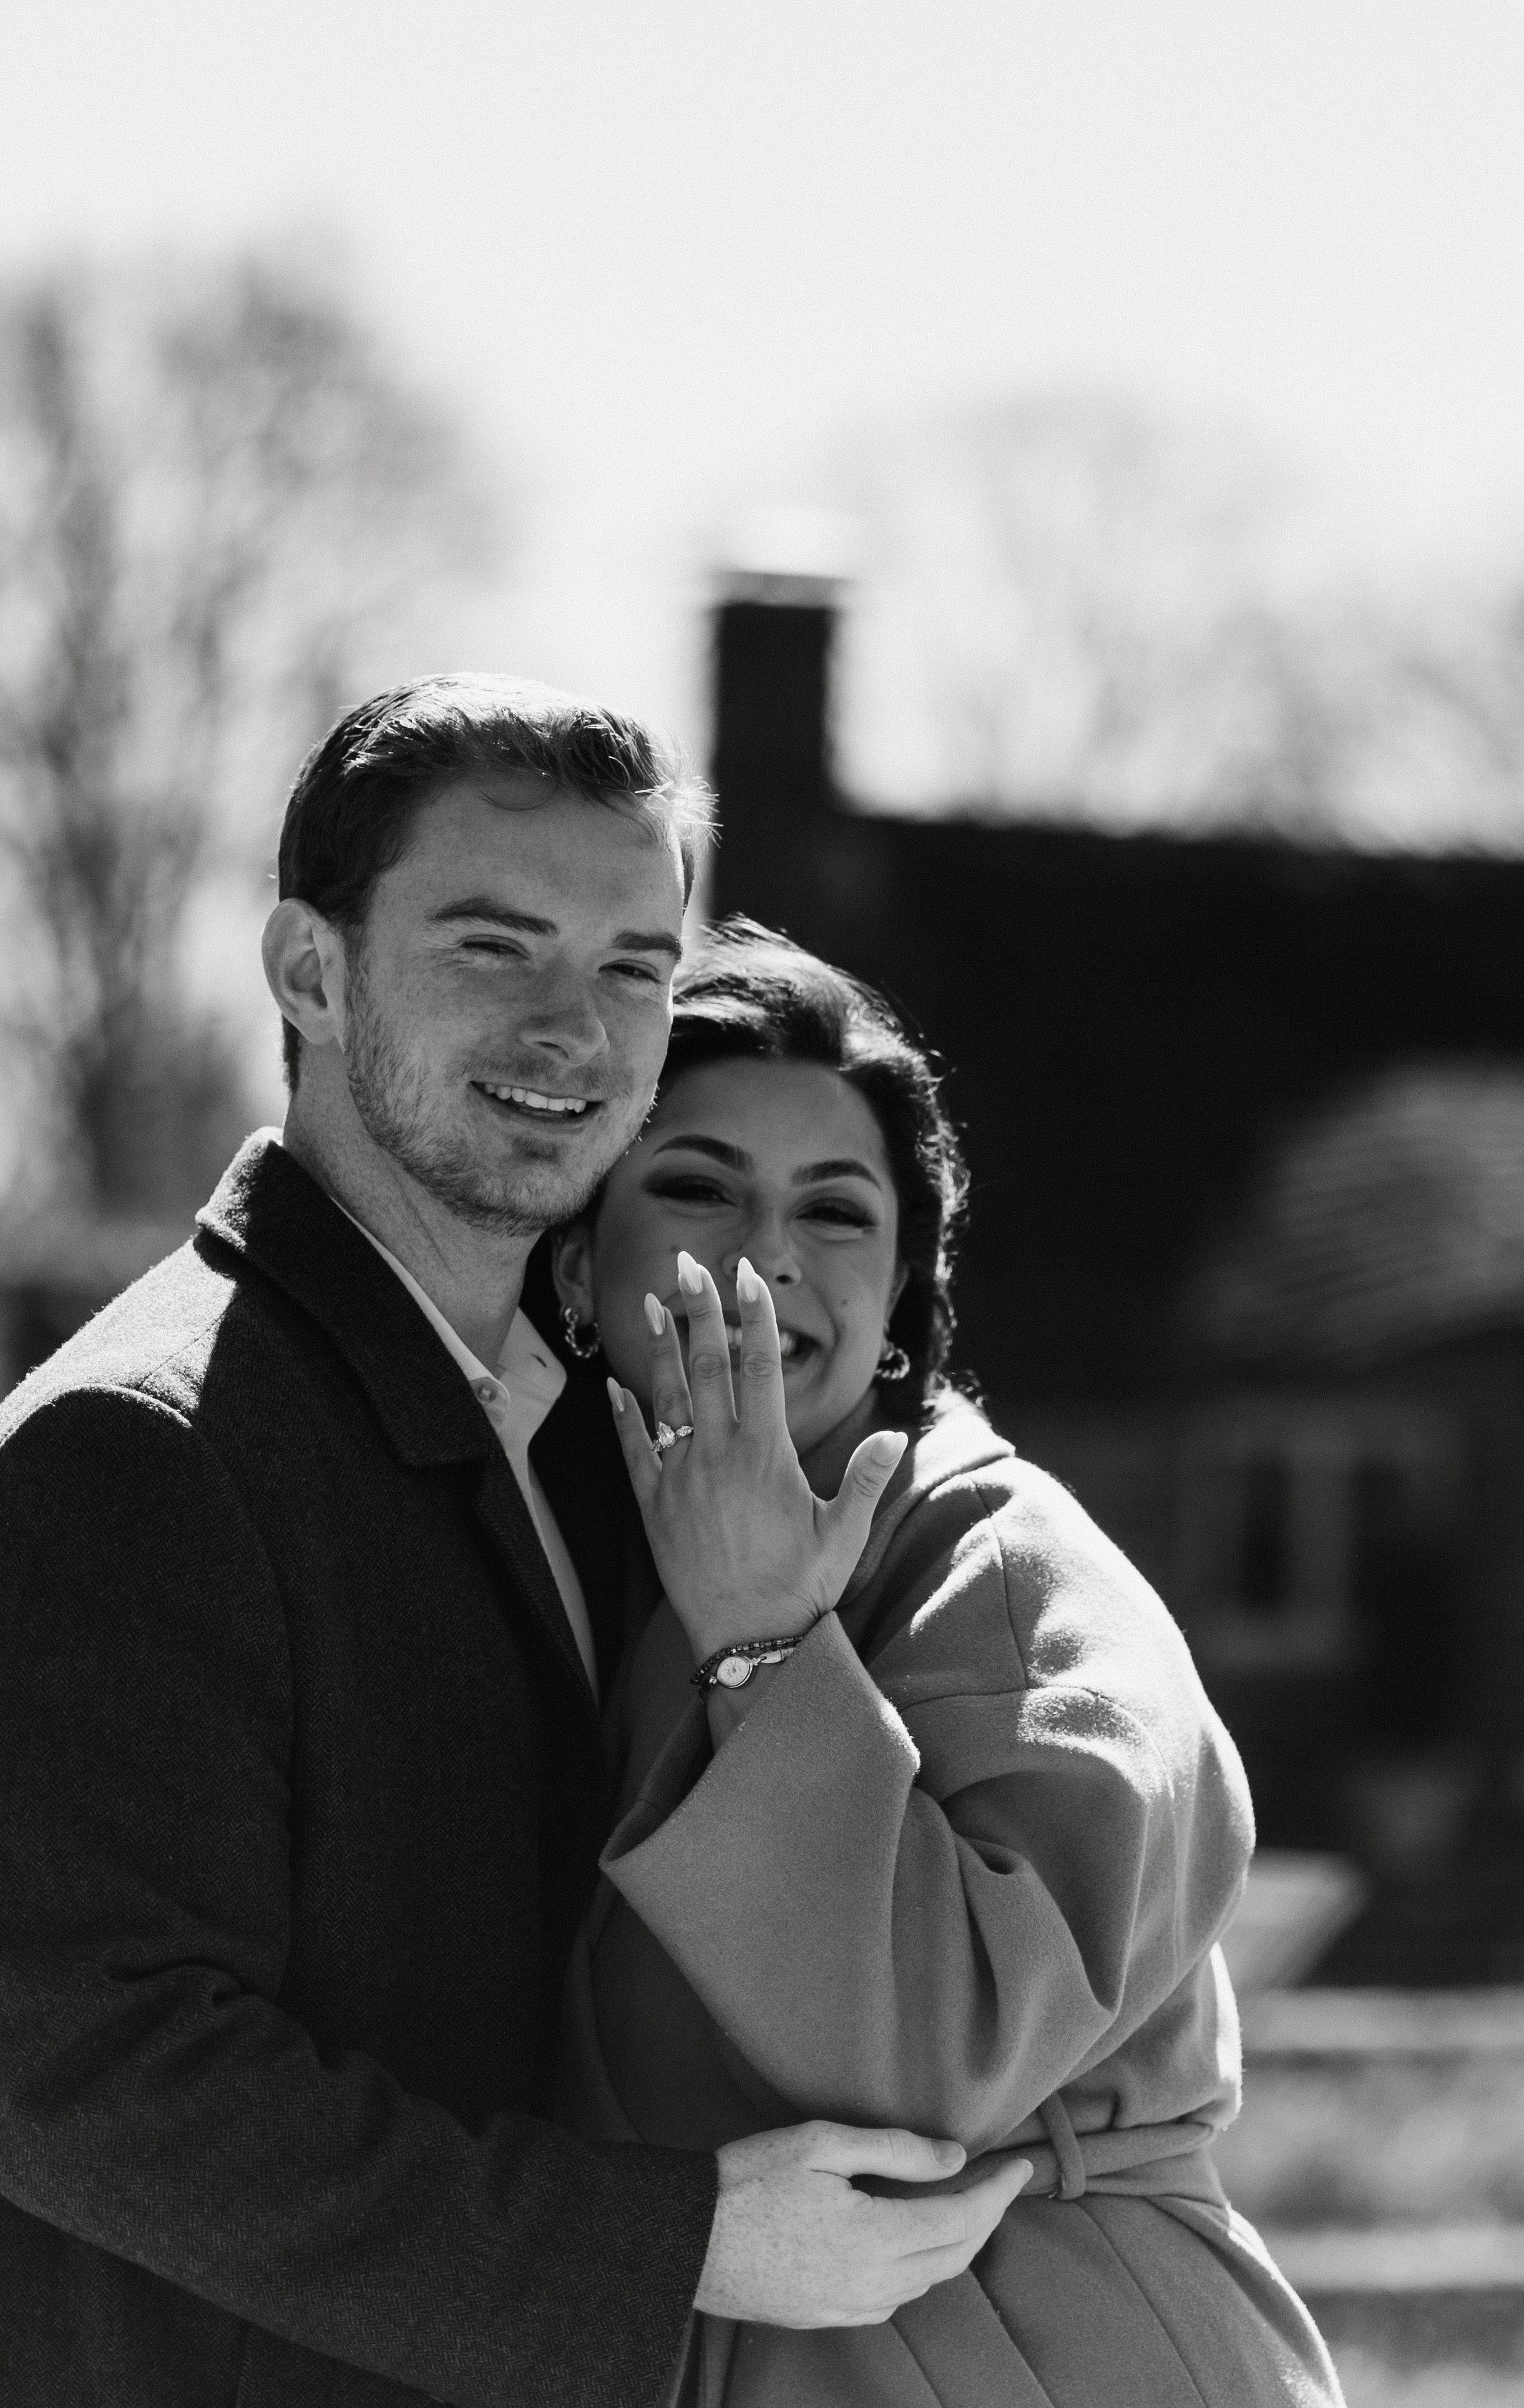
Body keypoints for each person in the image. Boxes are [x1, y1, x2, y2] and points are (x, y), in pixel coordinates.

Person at [0, 683, 1031, 2408]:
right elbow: (98, 2086)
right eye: (496, 946)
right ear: (310, 971)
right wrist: (679, 2245)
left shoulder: (575, 1435)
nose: (577, 1030)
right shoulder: (133, 1455)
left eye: (633, 965)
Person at [549, 923, 1346, 2407]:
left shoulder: (1007, 1568)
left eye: (835, 1210)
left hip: (1047, 2354)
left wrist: (765, 1646)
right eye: (697, 1185)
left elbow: (940, 2063)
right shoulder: (569, 1562)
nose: (767, 1253)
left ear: (901, 1292)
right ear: (578, 1259)